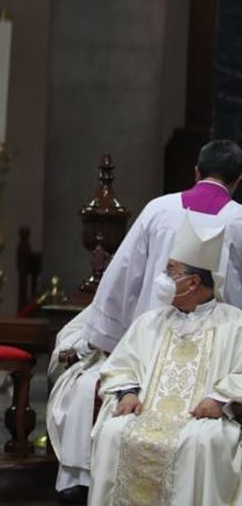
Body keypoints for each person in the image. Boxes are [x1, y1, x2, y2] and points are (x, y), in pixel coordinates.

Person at [89, 214, 242, 505]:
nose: (163, 279)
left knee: (204, 443)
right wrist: (128, 392)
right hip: (144, 411)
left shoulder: (235, 324)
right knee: (113, 431)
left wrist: (221, 399)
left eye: (171, 272)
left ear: (194, 282)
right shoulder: (151, 321)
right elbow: (122, 365)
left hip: (201, 417)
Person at [84, 140, 242, 354]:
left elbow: (125, 272)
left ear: (196, 172)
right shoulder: (238, 220)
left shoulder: (159, 209)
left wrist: (105, 339)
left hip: (152, 339)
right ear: (238, 180)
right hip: (218, 349)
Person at [46, 306, 106, 503]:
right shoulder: (122, 285)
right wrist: (89, 344)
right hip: (105, 362)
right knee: (85, 388)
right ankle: (79, 481)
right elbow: (74, 334)